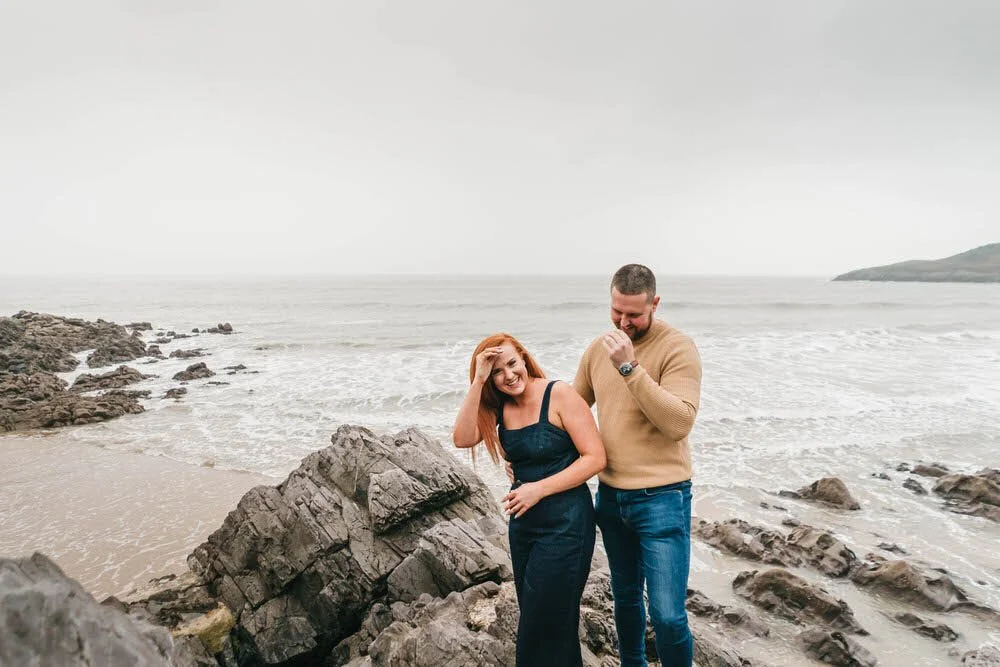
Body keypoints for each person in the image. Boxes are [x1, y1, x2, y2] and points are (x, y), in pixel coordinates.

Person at [574, 263, 702, 666]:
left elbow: (679, 422)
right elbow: (572, 412)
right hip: (611, 498)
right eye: (617, 312)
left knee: (667, 615)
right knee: (626, 600)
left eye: (634, 314)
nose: (623, 323)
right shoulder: (599, 348)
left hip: (663, 498)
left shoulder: (678, 347)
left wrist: (630, 368)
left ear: (655, 304)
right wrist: (528, 461)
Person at [452, 333, 606, 667]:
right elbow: (462, 437)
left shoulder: (559, 394)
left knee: (539, 625)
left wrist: (537, 488)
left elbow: (595, 458)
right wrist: (478, 379)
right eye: (497, 372)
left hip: (568, 525)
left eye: (511, 363)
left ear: (523, 358)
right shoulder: (499, 408)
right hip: (524, 528)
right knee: (554, 625)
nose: (508, 375)